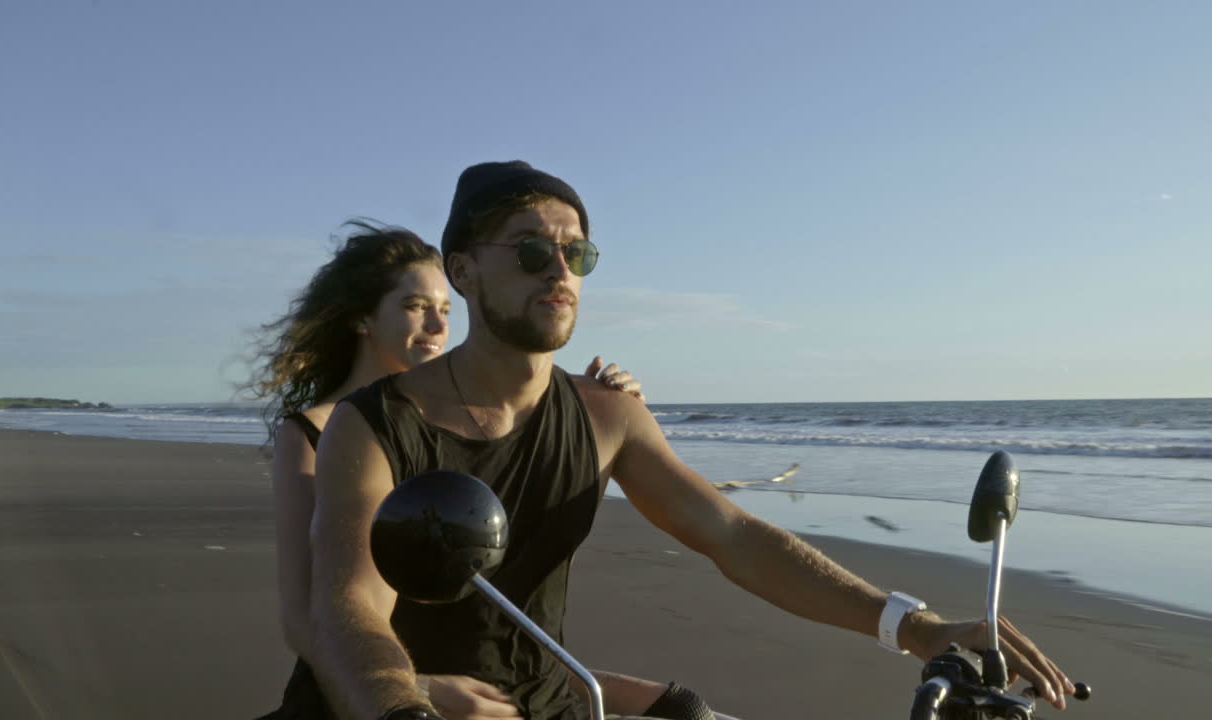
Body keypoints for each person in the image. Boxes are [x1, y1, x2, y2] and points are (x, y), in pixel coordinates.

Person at [307, 162, 1077, 720]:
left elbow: (731, 533)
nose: (561, 271)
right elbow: (352, 607)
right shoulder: (375, 423)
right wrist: (403, 707)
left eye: (577, 253)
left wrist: (914, 626)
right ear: (465, 271)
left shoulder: (606, 415)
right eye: (532, 250)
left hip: (551, 702)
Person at [246, 220, 701, 720]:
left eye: (445, 309)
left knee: (684, 706)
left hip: (503, 676)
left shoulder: (473, 425)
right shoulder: (314, 432)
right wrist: (417, 688)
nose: (438, 326)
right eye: (415, 306)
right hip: (372, 690)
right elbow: (304, 618)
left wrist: (600, 413)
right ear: (362, 319)